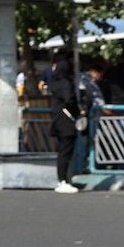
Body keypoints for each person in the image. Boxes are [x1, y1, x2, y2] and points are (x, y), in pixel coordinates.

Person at [46, 59, 83, 193]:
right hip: (67, 120)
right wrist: (79, 111)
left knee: (62, 151)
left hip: (58, 119)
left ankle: (63, 179)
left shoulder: (55, 83)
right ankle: (63, 181)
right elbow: (70, 99)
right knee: (66, 152)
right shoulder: (66, 83)